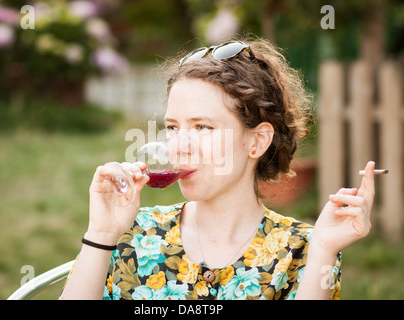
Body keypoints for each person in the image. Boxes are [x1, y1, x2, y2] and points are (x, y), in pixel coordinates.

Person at [60, 38, 375, 300]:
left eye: (203, 127)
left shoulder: (304, 248)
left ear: (257, 141)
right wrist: (101, 234)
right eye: (172, 127)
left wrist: (323, 249)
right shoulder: (133, 232)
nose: (179, 146)